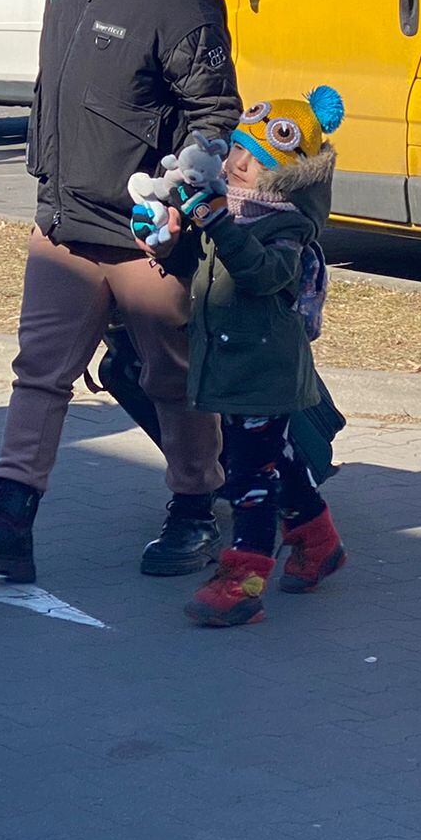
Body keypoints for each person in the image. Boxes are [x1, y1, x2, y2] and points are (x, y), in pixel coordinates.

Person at [0, 0, 241, 584]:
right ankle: (10, 520)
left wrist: (178, 192)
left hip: (145, 239)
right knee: (39, 372)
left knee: (176, 378)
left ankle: (196, 510)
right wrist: (45, 187)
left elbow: (216, 116)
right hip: (65, 225)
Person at [148, 91, 350, 628]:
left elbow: (262, 275)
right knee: (276, 459)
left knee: (248, 474)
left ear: (286, 177)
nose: (239, 164)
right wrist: (169, 238)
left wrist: (217, 224)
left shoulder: (287, 226)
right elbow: (205, 270)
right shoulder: (231, 210)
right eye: (237, 150)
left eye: (256, 159)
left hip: (266, 369)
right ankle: (318, 540)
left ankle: (243, 577)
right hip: (233, 365)